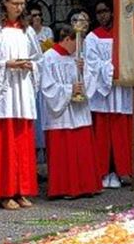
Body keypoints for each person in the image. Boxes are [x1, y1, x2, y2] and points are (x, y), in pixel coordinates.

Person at [0, 0, 42, 210]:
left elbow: (39, 58)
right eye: (15, 3)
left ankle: (22, 190)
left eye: (22, 3)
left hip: (22, 88)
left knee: (22, 138)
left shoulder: (27, 31)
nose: (19, 7)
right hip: (5, 90)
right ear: (5, 3)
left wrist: (31, 65)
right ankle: (4, 192)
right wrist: (7, 64)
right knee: (4, 139)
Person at [41, 21, 101, 199]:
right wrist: (69, 90)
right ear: (67, 39)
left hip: (79, 111)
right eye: (76, 43)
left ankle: (86, 186)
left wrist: (84, 70)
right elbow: (47, 87)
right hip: (60, 115)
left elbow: (89, 81)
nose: (78, 48)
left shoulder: (77, 57)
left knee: (82, 149)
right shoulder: (49, 57)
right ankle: (64, 188)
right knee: (64, 153)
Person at [85, 1, 134, 189]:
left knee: (121, 130)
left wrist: (122, 68)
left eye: (105, 11)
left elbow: (132, 57)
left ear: (113, 12)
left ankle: (122, 170)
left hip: (121, 89)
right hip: (103, 92)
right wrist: (110, 70)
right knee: (103, 132)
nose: (102, 16)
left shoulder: (125, 34)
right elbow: (91, 63)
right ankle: (103, 171)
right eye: (98, 12)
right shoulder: (92, 37)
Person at [30, 4, 54, 165]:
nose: (37, 17)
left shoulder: (47, 31)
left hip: (44, 73)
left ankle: (46, 152)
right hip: (32, 76)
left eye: (39, 14)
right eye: (33, 15)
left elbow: (49, 50)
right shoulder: (27, 33)